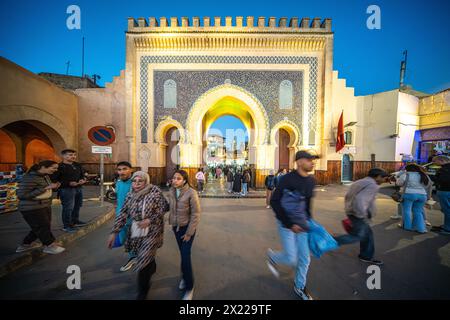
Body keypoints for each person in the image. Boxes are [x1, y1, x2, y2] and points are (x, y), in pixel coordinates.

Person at [107, 171, 169, 300]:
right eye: (134, 181)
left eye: (140, 181)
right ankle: (151, 265)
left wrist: (149, 220)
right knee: (145, 255)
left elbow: (164, 208)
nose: (136, 184)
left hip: (152, 230)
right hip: (136, 229)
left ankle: (142, 291)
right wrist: (114, 232)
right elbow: (123, 213)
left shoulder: (155, 192)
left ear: (146, 182)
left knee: (143, 259)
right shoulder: (130, 195)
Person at [267, 151, 318, 300]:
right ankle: (273, 257)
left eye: (313, 160)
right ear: (300, 162)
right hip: (286, 224)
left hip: (303, 224)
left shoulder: (311, 181)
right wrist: (289, 224)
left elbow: (308, 205)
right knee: (291, 259)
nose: (312, 162)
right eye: (309, 160)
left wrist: (310, 222)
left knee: (304, 259)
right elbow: (274, 201)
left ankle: (299, 286)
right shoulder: (286, 179)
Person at [334, 168, 388, 266]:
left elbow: (348, 196)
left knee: (367, 235)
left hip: (352, 211)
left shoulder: (359, 182)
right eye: (383, 178)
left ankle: (366, 256)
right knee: (358, 236)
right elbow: (360, 200)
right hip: (359, 214)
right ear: (377, 176)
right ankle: (332, 240)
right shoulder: (372, 185)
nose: (384, 180)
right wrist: (361, 214)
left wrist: (349, 208)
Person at [16, 160, 65, 254]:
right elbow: (21, 195)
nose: (55, 170)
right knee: (42, 226)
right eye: (53, 168)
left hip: (44, 204)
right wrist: (45, 188)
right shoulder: (29, 177)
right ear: (43, 167)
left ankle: (25, 244)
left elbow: (46, 189)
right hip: (31, 207)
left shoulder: (45, 176)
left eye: (56, 168)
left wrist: (54, 187)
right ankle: (49, 245)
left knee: (43, 226)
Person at [167, 170, 201, 300]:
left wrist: (189, 233)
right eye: (174, 178)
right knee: (182, 254)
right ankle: (184, 277)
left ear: (185, 180)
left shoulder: (191, 193)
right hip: (176, 228)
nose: (174, 180)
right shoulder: (171, 191)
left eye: (178, 178)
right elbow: (167, 206)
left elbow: (196, 214)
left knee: (185, 256)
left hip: (187, 229)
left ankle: (189, 287)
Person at [51, 149, 87, 233]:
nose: (73, 156)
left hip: (78, 188)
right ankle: (67, 226)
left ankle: (75, 221)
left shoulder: (77, 165)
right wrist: (68, 183)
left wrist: (83, 180)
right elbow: (54, 179)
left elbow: (82, 175)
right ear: (63, 156)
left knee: (77, 206)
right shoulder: (59, 167)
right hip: (66, 190)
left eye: (74, 155)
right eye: (70, 155)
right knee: (68, 208)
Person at [114, 161, 137, 272]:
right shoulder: (118, 182)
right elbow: (119, 199)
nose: (121, 172)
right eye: (119, 169)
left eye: (124, 169)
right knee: (123, 239)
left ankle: (134, 258)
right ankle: (134, 256)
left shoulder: (136, 183)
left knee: (134, 240)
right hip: (120, 217)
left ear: (131, 170)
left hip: (134, 218)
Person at [396, 164, 432, 234]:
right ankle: (421, 228)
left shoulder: (406, 174)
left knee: (407, 210)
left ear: (407, 169)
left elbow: (399, 183)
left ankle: (407, 226)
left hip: (409, 194)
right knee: (418, 211)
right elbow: (428, 185)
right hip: (422, 195)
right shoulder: (424, 175)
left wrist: (398, 177)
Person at [431, 156, 450, 235]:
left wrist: (432, 177)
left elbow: (443, 180)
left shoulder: (445, 169)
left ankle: (447, 228)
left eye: (435, 161)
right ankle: (446, 226)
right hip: (446, 190)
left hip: (445, 191)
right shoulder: (445, 168)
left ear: (441, 160)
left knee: (447, 210)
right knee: (447, 209)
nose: (434, 163)